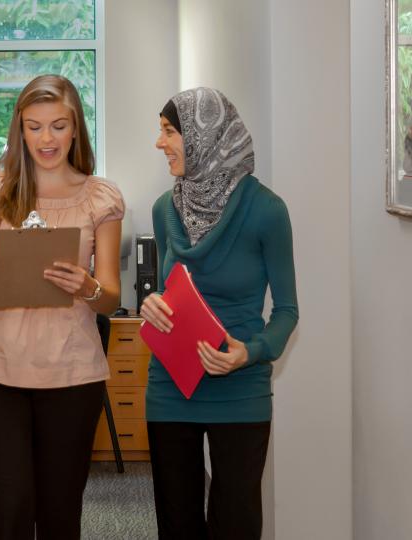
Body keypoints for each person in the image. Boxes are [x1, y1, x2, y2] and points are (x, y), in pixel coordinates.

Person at [0, 74, 125, 540]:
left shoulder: (102, 197)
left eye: (58, 126)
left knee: (60, 514)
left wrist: (87, 284)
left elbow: (111, 298)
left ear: (76, 129)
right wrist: (19, 270)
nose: (46, 139)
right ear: (20, 129)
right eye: (34, 127)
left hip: (72, 375)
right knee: (10, 511)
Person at [140, 87, 299, 540]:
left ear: (205, 136)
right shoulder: (163, 208)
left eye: (170, 131)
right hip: (170, 388)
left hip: (241, 390)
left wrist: (249, 353)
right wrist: (153, 306)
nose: (160, 143)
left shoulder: (267, 211)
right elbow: (172, 291)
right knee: (178, 525)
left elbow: (287, 311)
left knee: (235, 524)